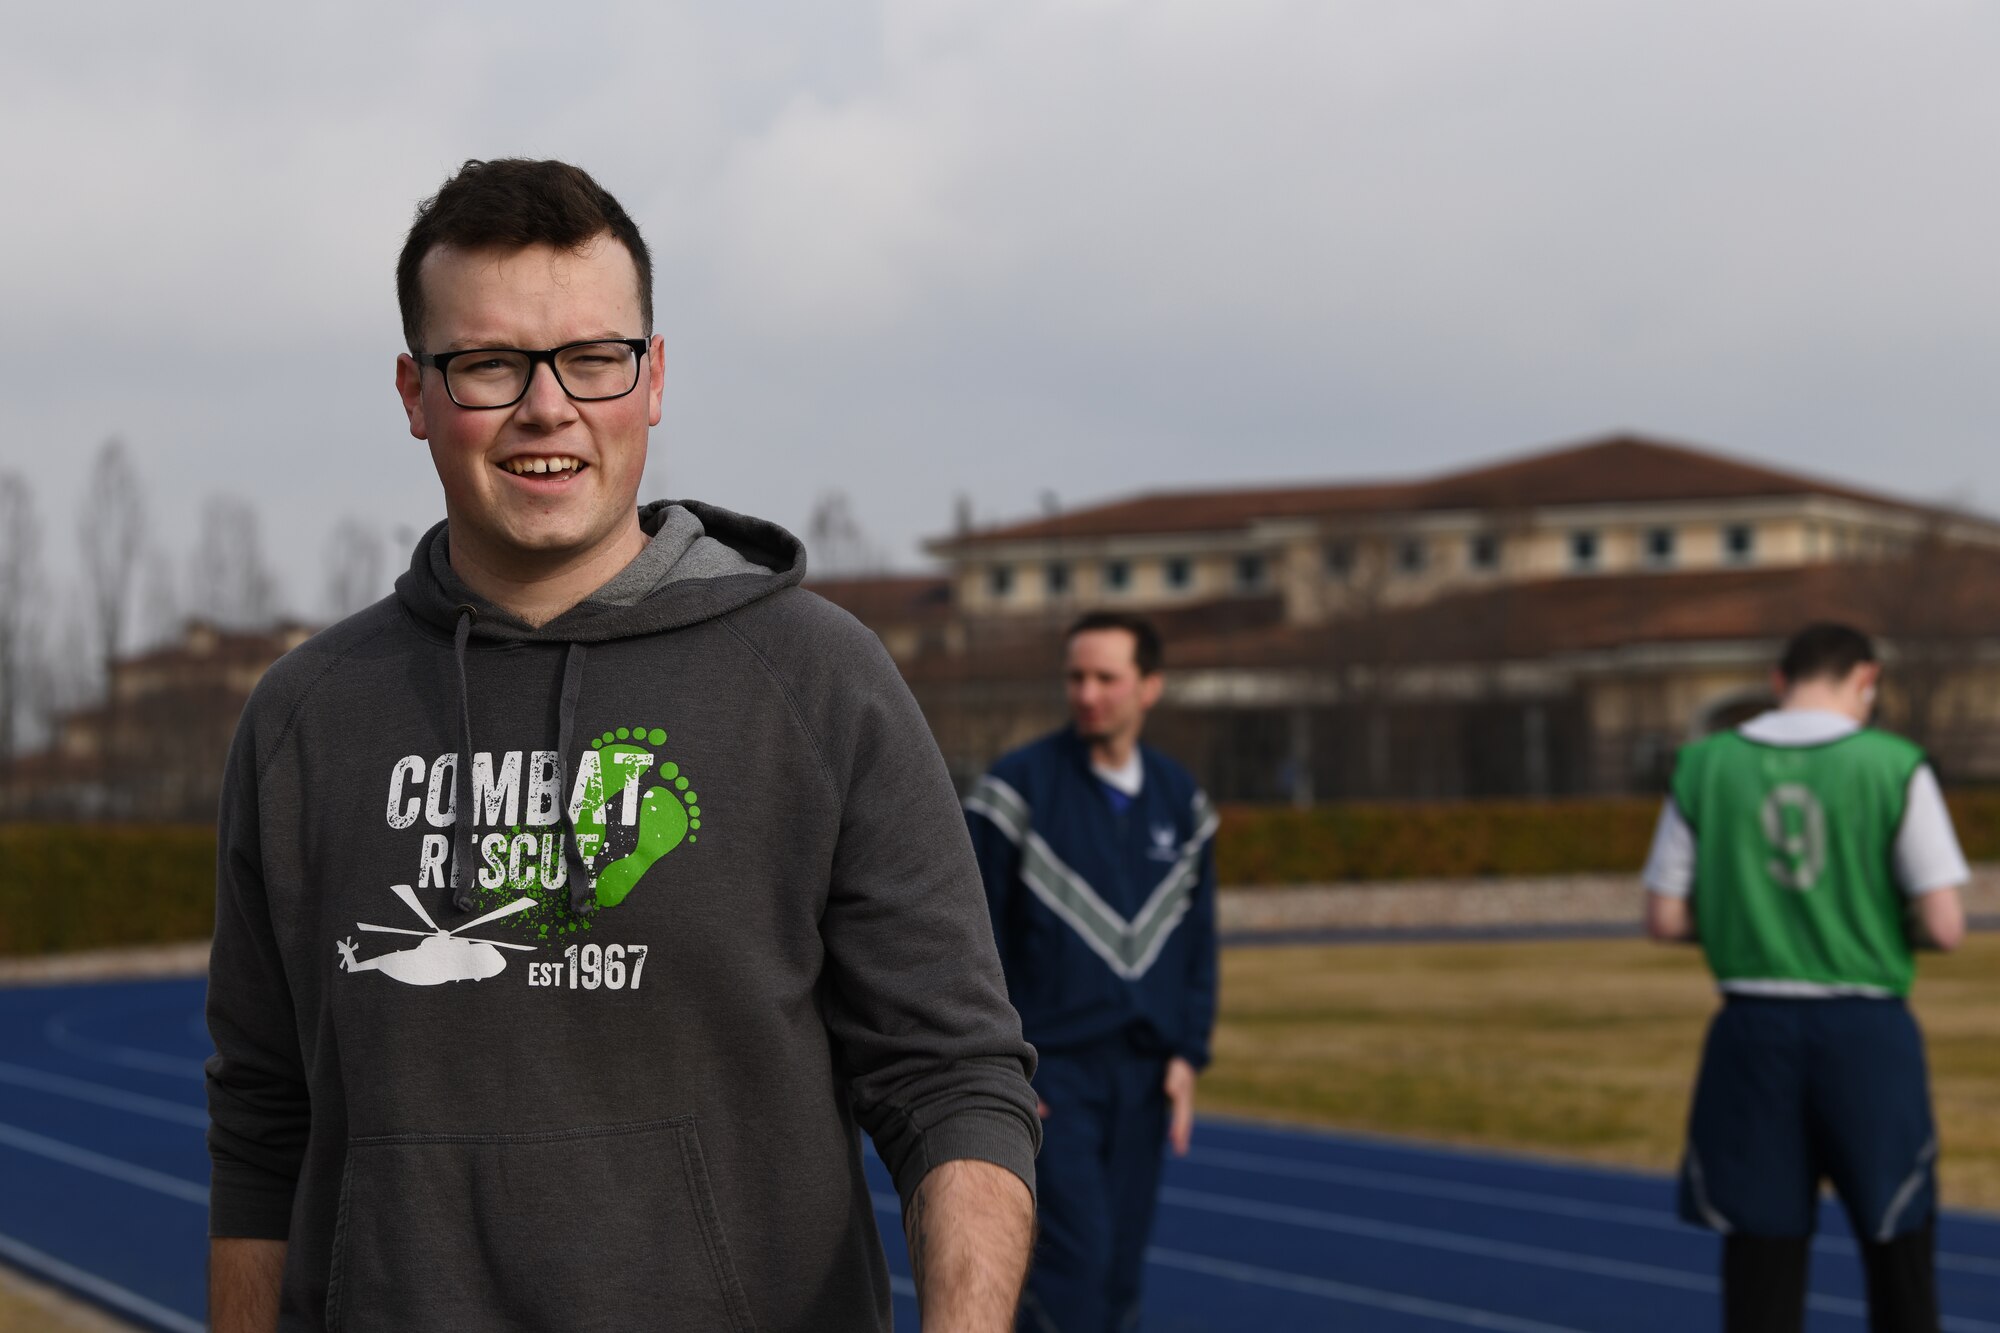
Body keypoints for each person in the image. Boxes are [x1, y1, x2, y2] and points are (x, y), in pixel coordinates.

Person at [204, 158, 1040, 1333]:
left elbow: (953, 1078)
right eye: (489, 364)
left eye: (593, 359)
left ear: (651, 380)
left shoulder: (817, 679)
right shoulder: (304, 717)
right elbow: (260, 1122)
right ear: (413, 391)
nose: (547, 409)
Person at [1643, 622, 1969, 1333]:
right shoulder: (1894, 763)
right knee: (1897, 1243)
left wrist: (1742, 921)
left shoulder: (1703, 764)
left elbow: (1664, 917)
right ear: (1866, 678)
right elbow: (1944, 923)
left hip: (1751, 1030)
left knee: (1761, 1257)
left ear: (1776, 677)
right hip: (1865, 1028)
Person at [966, 611, 1219, 1333]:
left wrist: (1186, 1054)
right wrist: (1006, 1070)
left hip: (1142, 1077)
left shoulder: (1182, 802)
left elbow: (1198, 941)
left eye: (1107, 677)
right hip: (1055, 1074)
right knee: (1073, 1266)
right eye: (1076, 677)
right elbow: (973, 942)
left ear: (1150, 687)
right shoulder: (1015, 792)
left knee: (1119, 1276)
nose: (1087, 693)